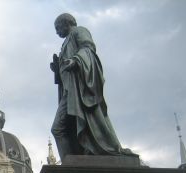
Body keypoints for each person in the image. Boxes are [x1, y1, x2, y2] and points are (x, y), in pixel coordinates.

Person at [50, 13, 134, 160]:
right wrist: (58, 70)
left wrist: (76, 60)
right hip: (69, 91)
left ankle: (73, 163)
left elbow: (88, 48)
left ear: (66, 23)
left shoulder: (79, 31)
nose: (57, 32)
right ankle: (70, 164)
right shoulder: (64, 44)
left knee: (60, 127)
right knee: (59, 128)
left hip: (80, 91)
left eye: (57, 28)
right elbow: (65, 71)